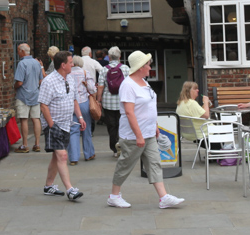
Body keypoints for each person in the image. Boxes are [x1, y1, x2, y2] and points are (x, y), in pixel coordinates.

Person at [108, 51, 184, 209]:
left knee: (154, 163)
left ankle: (163, 198)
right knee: (125, 164)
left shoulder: (144, 82)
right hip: (133, 135)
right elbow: (129, 112)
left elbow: (149, 107)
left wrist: (155, 126)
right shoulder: (128, 85)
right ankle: (114, 196)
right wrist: (138, 136)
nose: (150, 66)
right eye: (148, 64)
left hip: (148, 133)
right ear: (140, 67)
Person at [38, 50, 85, 201]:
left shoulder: (70, 79)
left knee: (56, 156)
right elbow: (43, 105)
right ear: (63, 65)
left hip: (67, 124)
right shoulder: (49, 81)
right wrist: (51, 125)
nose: (73, 64)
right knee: (63, 155)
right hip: (54, 125)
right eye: (70, 62)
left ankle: (48, 186)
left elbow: (74, 100)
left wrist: (80, 117)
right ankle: (70, 190)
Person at [97, 46, 129, 156]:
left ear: (109, 57)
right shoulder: (125, 68)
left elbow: (100, 86)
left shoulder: (104, 69)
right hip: (123, 102)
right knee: (123, 125)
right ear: (120, 56)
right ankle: (123, 146)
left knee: (111, 126)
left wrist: (98, 100)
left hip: (108, 102)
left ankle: (115, 149)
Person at [13, 43, 45, 153]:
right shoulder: (36, 63)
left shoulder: (22, 64)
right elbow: (41, 81)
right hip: (35, 94)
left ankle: (25, 144)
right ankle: (37, 144)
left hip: (23, 96)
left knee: (24, 120)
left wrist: (14, 86)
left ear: (22, 51)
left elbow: (20, 82)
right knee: (36, 119)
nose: (17, 53)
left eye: (18, 50)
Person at [67, 56, 96, 164]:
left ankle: (74, 158)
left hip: (71, 103)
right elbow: (92, 89)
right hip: (83, 102)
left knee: (73, 130)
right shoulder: (85, 73)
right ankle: (88, 154)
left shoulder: (67, 74)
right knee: (86, 128)